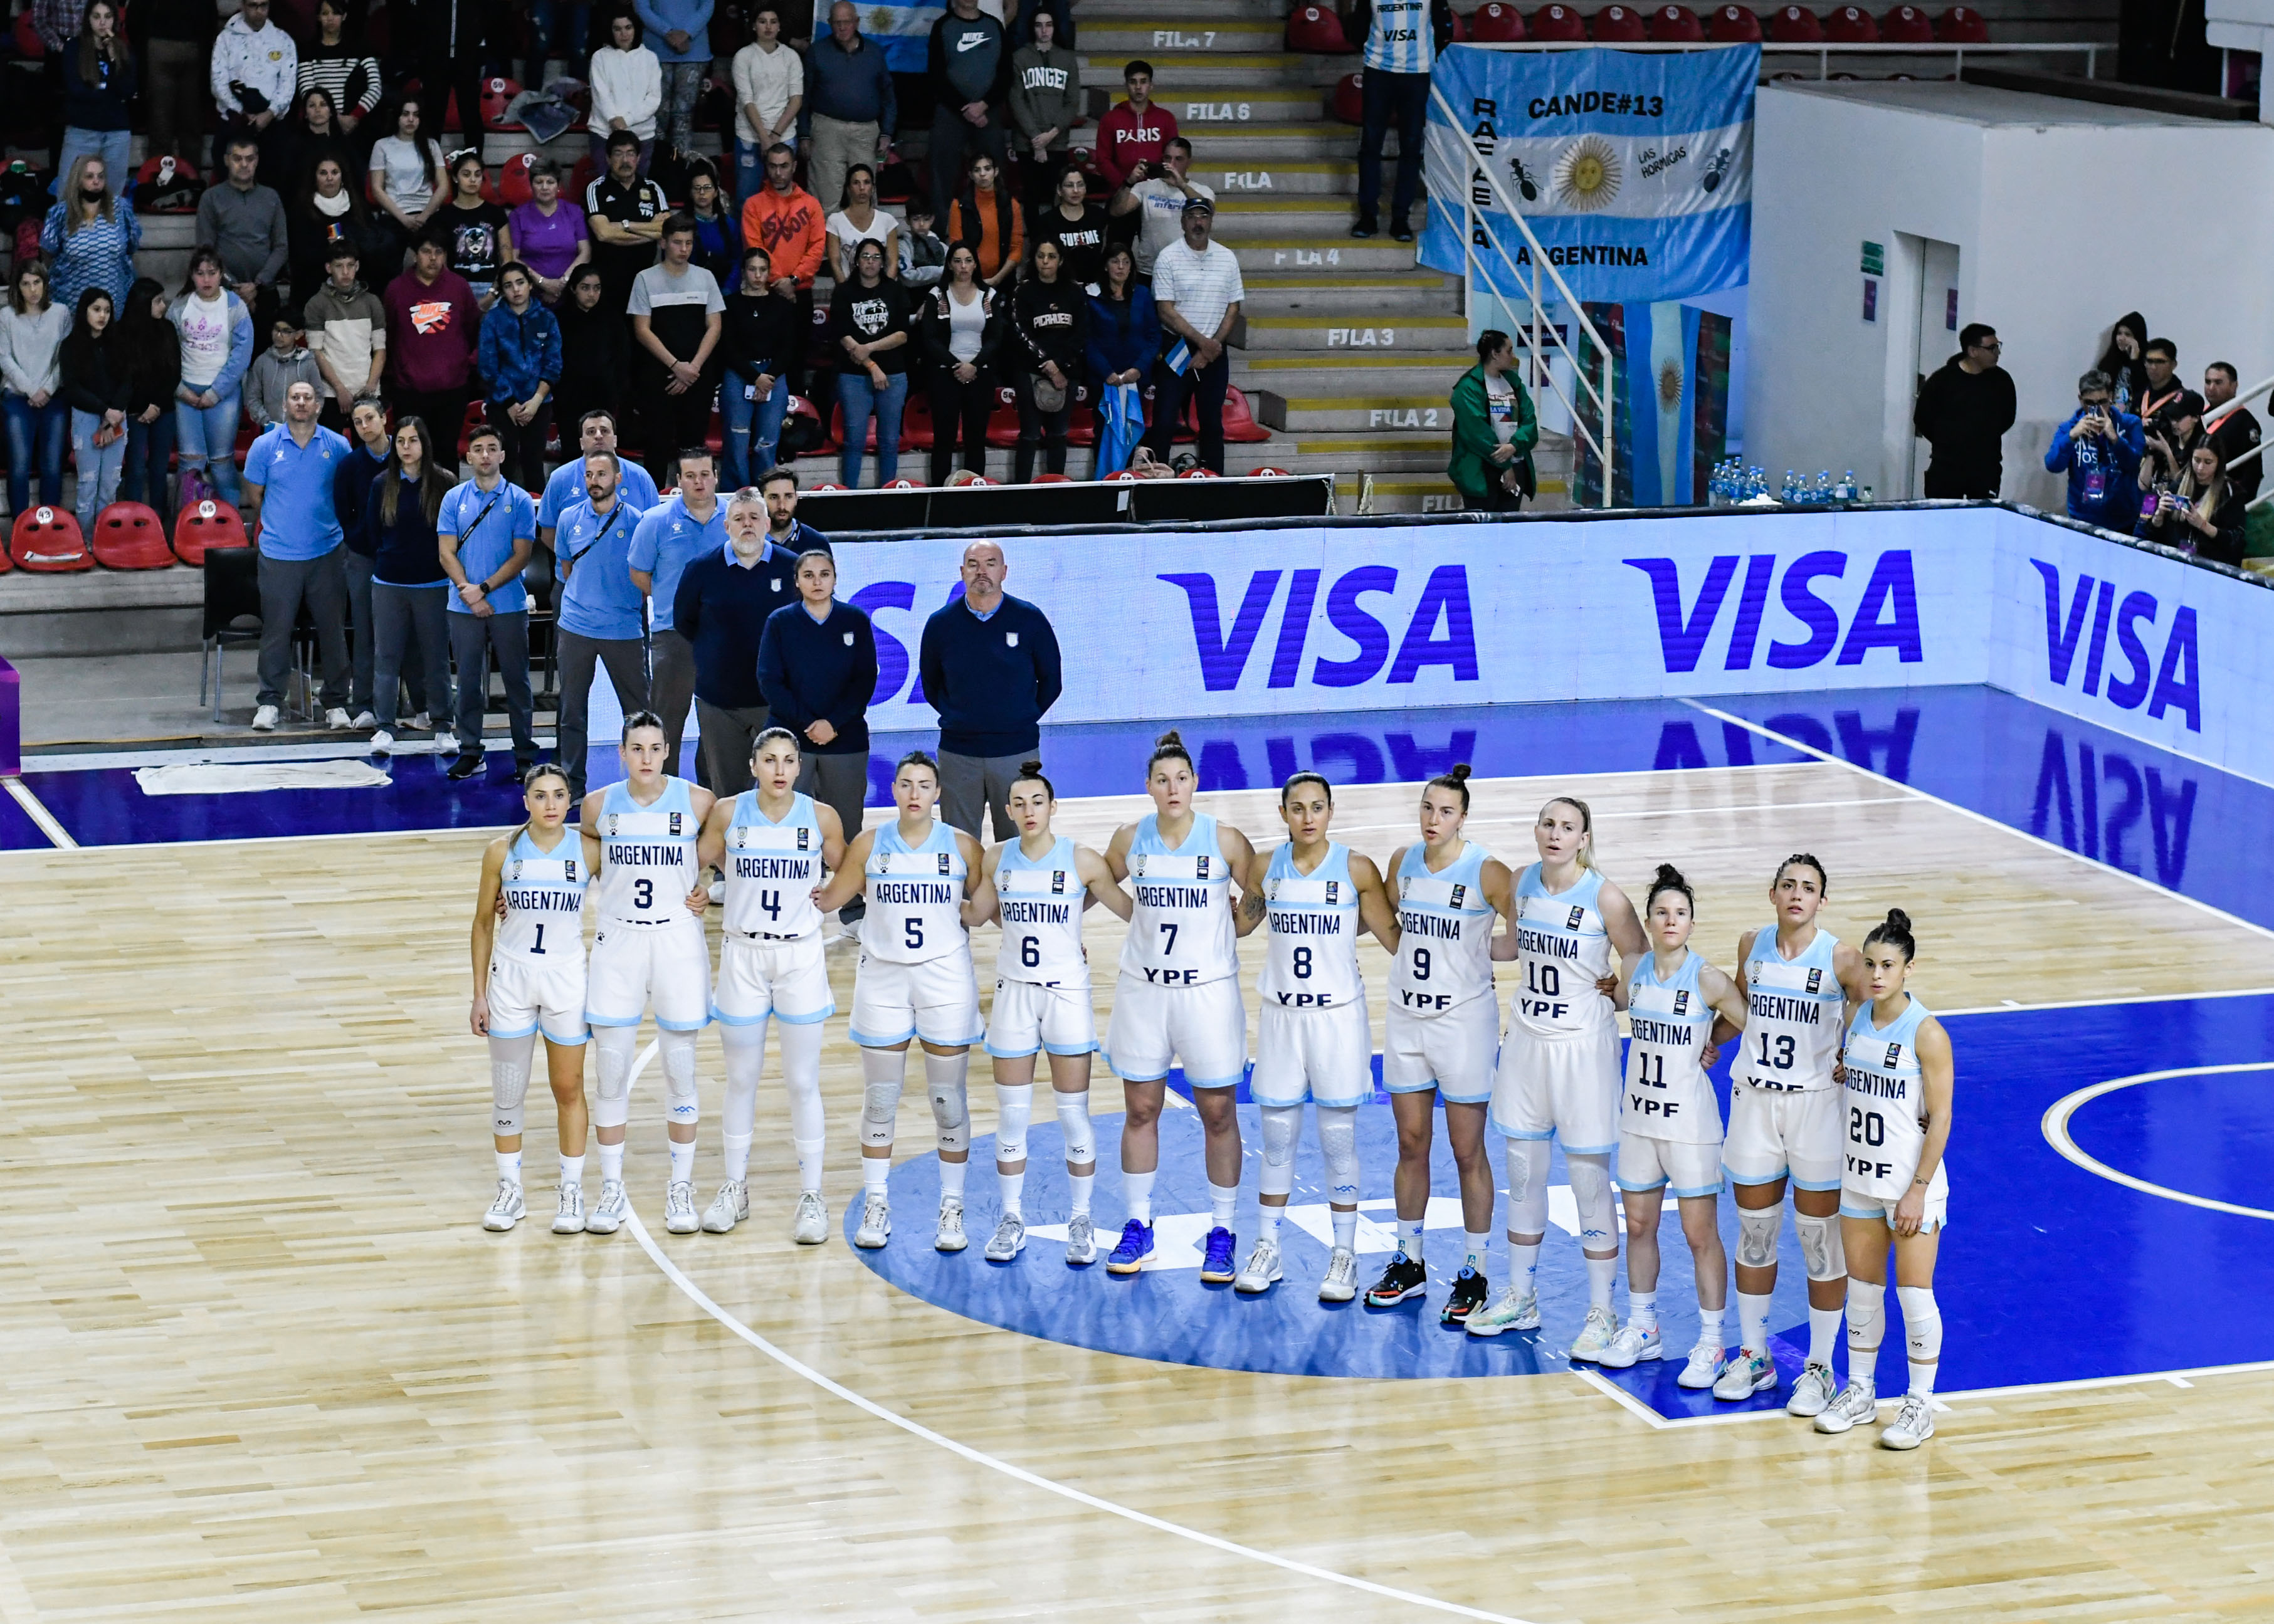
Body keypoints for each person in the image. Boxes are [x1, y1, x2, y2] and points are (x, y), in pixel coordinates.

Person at [1466, 797, 1648, 1354]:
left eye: (1567, 827)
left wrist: (1616, 996)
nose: (1555, 833)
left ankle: (1601, 1312)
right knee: (1521, 1172)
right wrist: (1460, 942)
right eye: (1547, 823)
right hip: (1525, 1042)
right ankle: (1521, 1295)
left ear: (1583, 837)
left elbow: (1638, 957)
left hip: (1581, 1049)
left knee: (1589, 1182)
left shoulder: (1605, 896)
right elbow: (1515, 944)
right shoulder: (1522, 881)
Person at [1708, 854, 1871, 1413]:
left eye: (1808, 888)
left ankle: (1820, 1367)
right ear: (1772, 893)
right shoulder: (1750, 944)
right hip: (1754, 1103)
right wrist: (1710, 1037)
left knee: (1819, 1240)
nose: (1797, 894)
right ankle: (1754, 1355)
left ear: (1822, 901)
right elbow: (1741, 1008)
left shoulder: (1844, 958)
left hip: (1815, 1109)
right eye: (1788, 885)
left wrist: (1855, 1053)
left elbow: (1873, 1012)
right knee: (1754, 1233)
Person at [1100, 730, 1259, 1280]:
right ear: (1148, 786)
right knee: (1141, 1109)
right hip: (1144, 991)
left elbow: (1259, 896)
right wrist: (1136, 917)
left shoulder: (1226, 840)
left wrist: (1235, 924)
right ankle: (1137, 1227)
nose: (1173, 788)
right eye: (1163, 780)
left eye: (1182, 779)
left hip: (1207, 993)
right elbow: (1100, 881)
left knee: (1219, 1112)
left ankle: (1222, 1230)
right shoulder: (1129, 838)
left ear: (1195, 783)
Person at [1233, 773, 1398, 1302]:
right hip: (1281, 1016)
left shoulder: (1355, 869)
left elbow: (1393, 935)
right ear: (1282, 812)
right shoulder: (1264, 867)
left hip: (1337, 1018)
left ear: (1331, 811)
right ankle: (1266, 1246)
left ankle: (1344, 1255)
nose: (1308, 817)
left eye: (1318, 807)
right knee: (1276, 1138)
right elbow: (1237, 927)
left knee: (1336, 1139)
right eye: (1298, 808)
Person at [812, 750, 985, 1250]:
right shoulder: (869, 845)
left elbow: (986, 906)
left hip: (945, 978)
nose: (914, 794)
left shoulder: (963, 847)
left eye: (924, 785)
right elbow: (828, 900)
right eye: (906, 784)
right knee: (881, 1098)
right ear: (893, 791)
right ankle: (876, 1200)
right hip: (883, 978)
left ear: (937, 793)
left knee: (947, 1099)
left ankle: (951, 1207)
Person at [964, 762, 1132, 1263]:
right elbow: (976, 913)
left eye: (1037, 801)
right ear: (1009, 811)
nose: (1029, 810)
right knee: (1011, 1116)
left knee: (1072, 1113)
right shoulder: (997, 858)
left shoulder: (1081, 860)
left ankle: (1081, 1219)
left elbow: (1129, 909)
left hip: (1066, 996)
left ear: (1053, 807)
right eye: (1019, 803)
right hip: (1014, 994)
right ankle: (1011, 1217)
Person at [1362, 765, 1509, 1322]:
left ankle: (1474, 1269)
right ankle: (1409, 1259)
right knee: (1410, 1143)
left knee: (1467, 1150)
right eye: (1426, 808)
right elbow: (1394, 928)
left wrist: (1473, 956)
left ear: (1463, 817)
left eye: (1445, 811)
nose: (1433, 819)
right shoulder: (1402, 862)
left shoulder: (1487, 870)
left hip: (1463, 1023)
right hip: (1405, 1018)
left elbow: (1519, 939)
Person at [693, 726, 846, 1239]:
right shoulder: (729, 813)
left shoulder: (821, 817)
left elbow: (851, 871)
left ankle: (812, 1196)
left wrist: (829, 895)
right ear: (753, 766)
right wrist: (709, 883)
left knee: (802, 1081)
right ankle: (734, 1188)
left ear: (799, 767)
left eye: (788, 761)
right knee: (741, 1078)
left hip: (799, 956)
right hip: (742, 953)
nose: (779, 770)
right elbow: (698, 858)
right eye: (769, 760)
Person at [1598, 864, 1747, 1384]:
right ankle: (1643, 1328)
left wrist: (1716, 1040)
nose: (1670, 920)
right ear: (1649, 918)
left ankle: (1711, 1344)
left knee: (1698, 1232)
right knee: (1638, 1225)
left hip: (1689, 1124)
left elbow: (1749, 1016)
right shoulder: (1636, 967)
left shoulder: (1706, 977)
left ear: (1690, 923)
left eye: (1680, 913)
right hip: (1637, 1118)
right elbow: (1614, 995)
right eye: (1661, 911)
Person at [1811, 909, 1950, 1451]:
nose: (1875, 974)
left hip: (1908, 1183)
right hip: (1859, 1177)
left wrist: (1917, 1187)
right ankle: (1861, 1390)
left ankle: (1919, 1403)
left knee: (1914, 1296)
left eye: (1887, 965)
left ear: (1907, 969)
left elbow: (1939, 1117)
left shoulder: (1927, 1033)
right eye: (1869, 963)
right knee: (1863, 1294)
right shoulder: (1857, 1018)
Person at [577, 709, 718, 1239]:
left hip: (676, 938)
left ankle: (680, 1186)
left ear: (667, 752)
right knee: (610, 1068)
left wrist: (704, 880)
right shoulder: (597, 807)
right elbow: (576, 859)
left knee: (680, 1066)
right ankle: (610, 1187)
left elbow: (723, 844)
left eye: (655, 748)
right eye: (636, 748)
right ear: (621, 752)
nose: (646, 758)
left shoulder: (698, 801)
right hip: (619, 939)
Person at [468, 762, 593, 1234]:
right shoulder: (501, 851)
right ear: (525, 801)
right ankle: (509, 1189)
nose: (550, 804)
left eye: (559, 795)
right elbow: (482, 922)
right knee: (508, 1090)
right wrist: (478, 994)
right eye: (540, 795)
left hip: (565, 979)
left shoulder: (587, 850)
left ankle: (572, 1190)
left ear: (570, 800)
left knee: (568, 1088)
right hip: (511, 979)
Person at [918, 540, 1063, 837]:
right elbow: (931, 683)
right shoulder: (940, 624)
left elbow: (1052, 680)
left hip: (1016, 751)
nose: (981, 571)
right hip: (959, 753)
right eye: (973, 564)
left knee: (1018, 841)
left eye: (990, 564)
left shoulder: (1029, 619)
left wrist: (1021, 717)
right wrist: (959, 717)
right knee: (960, 845)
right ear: (962, 572)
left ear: (1004, 571)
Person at [241, 379, 355, 731]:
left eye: (308, 398)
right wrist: (280, 526)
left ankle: (336, 703)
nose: (302, 403)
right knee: (276, 631)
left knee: (333, 630)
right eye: (295, 397)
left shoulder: (338, 445)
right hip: (278, 555)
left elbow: (347, 493)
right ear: (285, 404)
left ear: (319, 405)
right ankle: (270, 702)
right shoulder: (264, 446)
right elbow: (255, 495)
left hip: (327, 552)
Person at [673, 486, 802, 793]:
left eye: (755, 517)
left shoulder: (794, 568)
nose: (747, 524)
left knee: (785, 791)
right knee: (726, 793)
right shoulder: (701, 569)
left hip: (779, 702)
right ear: (726, 526)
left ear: (767, 524)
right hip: (720, 703)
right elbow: (684, 622)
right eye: (739, 518)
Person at [757, 548, 876, 864]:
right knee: (789, 821)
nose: (817, 582)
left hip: (846, 740)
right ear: (796, 581)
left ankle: (851, 902)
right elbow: (770, 681)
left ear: (835, 578)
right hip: (792, 741)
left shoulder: (855, 620)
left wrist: (833, 723)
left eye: (825, 574)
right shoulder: (780, 622)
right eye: (808, 575)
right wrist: (809, 724)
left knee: (847, 824)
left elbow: (865, 681)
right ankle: (794, 896)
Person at [439, 422, 542, 780]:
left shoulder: (519, 500)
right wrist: (469, 590)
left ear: (502, 455)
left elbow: (522, 555)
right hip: (462, 606)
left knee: (516, 681)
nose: (485, 455)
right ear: (468, 457)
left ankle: (525, 754)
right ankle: (470, 751)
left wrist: (481, 589)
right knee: (467, 682)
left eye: (491, 448)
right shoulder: (454, 498)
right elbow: (446, 552)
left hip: (508, 605)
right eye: (478, 449)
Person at [553, 451, 653, 799]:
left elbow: (645, 577)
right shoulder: (568, 518)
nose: (595, 480)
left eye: (602, 474)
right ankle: (573, 786)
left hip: (623, 630)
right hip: (576, 627)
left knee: (639, 714)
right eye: (589, 474)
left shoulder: (639, 521)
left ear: (618, 478)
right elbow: (566, 570)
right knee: (571, 711)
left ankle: (644, 786)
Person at [361, 411, 458, 752]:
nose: (406, 447)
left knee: (436, 659)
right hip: (389, 584)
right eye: (400, 441)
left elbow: (454, 534)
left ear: (424, 444)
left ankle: (443, 726)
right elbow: (373, 533)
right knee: (387, 658)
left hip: (432, 585)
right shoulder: (381, 484)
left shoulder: (444, 482)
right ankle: (385, 726)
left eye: (413, 440)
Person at [629, 444, 727, 767]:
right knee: (667, 722)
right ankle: (662, 788)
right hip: (673, 635)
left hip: (727, 639)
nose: (699, 482)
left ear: (716, 476)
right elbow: (640, 575)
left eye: (704, 475)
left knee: (720, 721)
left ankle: (714, 793)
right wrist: (674, 602)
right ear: (678, 481)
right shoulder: (654, 521)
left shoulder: (738, 517)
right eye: (690, 476)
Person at [1145, 199, 1242, 474]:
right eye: (1192, 217)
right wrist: (1204, 344)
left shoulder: (1227, 257)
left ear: (1211, 221)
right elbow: (1165, 310)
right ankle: (1158, 483)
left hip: (1215, 350)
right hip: (1177, 348)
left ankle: (1214, 482)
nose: (1198, 222)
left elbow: (1234, 306)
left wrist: (1213, 346)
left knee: (1212, 422)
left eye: (1203, 217)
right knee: (1164, 420)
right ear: (1182, 222)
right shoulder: (1168, 257)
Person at [629, 216, 725, 485]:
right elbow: (642, 330)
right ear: (663, 243)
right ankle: (652, 507)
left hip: (698, 376)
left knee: (694, 446)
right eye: (677, 243)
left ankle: (696, 504)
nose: (684, 249)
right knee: (657, 443)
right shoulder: (645, 279)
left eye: (689, 243)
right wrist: (676, 366)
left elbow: (715, 327)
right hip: (658, 376)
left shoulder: (705, 277)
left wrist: (692, 368)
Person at [169, 249, 255, 505]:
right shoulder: (180, 305)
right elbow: (166, 353)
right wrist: (180, 390)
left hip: (223, 394)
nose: (206, 280)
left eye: (212, 273)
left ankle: (230, 526)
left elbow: (242, 355)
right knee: (190, 462)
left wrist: (216, 392)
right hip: (185, 393)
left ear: (221, 275)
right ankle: (184, 525)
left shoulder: (235, 306)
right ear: (192, 276)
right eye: (200, 274)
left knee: (221, 460)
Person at [1345, 0, 1436, 241]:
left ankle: (1400, 218)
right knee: (1371, 145)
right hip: (1378, 74)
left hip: (1416, 75)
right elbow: (1356, 30)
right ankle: (1368, 216)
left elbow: (1444, 27)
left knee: (1411, 147)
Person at [802, 1, 897, 226]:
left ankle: (868, 254)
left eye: (847, 22)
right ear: (830, 24)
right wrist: (804, 134)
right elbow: (803, 96)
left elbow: (888, 96)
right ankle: (825, 256)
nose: (842, 27)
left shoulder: (874, 52)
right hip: (827, 129)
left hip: (866, 133)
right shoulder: (817, 51)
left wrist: (886, 133)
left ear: (857, 23)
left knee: (864, 195)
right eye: (837, 23)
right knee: (826, 198)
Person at [917, 245, 1005, 485]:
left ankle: (973, 492)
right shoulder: (937, 295)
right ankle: (938, 494)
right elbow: (930, 337)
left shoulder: (989, 295)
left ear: (976, 264)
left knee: (976, 439)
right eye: (958, 261)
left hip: (981, 376)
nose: (963, 266)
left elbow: (996, 337)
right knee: (944, 439)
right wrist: (957, 365)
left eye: (968, 261)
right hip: (945, 375)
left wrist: (974, 365)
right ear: (949, 265)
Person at [383, 230, 478, 451]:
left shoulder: (459, 286)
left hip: (453, 389)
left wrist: (465, 364)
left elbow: (473, 329)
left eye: (439, 252)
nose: (433, 258)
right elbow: (389, 336)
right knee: (411, 457)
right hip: (408, 391)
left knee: (447, 456)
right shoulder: (396, 289)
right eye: (426, 252)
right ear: (415, 255)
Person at [829, 237, 911, 487]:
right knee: (854, 440)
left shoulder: (895, 290)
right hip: (853, 376)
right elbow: (843, 335)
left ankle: (889, 496)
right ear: (856, 260)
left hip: (894, 374)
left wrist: (869, 348)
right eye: (866, 256)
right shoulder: (844, 291)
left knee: (889, 441)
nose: (871, 262)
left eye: (876, 257)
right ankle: (850, 496)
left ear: (883, 262)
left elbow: (902, 334)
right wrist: (872, 366)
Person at [193, 137, 287, 348]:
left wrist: (257, 284)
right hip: (223, 293)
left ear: (257, 161)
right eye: (238, 159)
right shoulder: (211, 198)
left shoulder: (271, 197)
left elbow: (281, 247)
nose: (244, 164)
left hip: (265, 293)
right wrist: (236, 287)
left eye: (250, 159)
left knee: (265, 358)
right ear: (227, 160)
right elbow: (205, 251)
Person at [335, 397, 396, 725]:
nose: (364, 427)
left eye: (369, 418)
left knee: (405, 632)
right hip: (362, 557)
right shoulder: (349, 465)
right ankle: (365, 705)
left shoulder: (404, 457)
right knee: (365, 632)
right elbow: (343, 513)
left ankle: (418, 704)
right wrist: (362, 541)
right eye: (358, 422)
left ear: (384, 418)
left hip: (401, 558)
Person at [476, 262, 561, 491]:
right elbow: (488, 366)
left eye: (520, 283)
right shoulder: (493, 320)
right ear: (502, 290)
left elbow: (553, 364)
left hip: (539, 404)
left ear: (530, 285)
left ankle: (537, 524)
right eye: (508, 285)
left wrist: (535, 401)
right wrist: (510, 403)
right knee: (503, 464)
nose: (516, 290)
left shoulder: (547, 318)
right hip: (502, 405)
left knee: (534, 465)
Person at [0, 261, 73, 520]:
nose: (32, 290)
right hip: (18, 398)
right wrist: (32, 390)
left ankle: (49, 529)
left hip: (53, 398)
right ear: (17, 288)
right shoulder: (6, 316)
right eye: (26, 284)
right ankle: (21, 528)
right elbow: (4, 358)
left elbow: (65, 357)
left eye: (37, 282)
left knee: (52, 467)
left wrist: (48, 389)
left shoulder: (61, 313)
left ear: (45, 283)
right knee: (19, 467)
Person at [720, 246, 797, 488]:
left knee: (767, 442)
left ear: (769, 273)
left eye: (762, 270)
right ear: (744, 272)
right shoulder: (729, 304)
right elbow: (726, 347)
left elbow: (789, 346)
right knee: (736, 438)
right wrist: (755, 377)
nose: (757, 275)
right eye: (752, 269)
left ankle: (765, 495)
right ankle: (737, 494)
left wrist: (769, 376)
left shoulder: (782, 306)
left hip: (774, 374)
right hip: (739, 374)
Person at [1007, 238, 1084, 482]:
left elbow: (1081, 333)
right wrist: (1049, 366)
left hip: (1067, 371)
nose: (1046, 261)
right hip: (1030, 371)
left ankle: (1056, 487)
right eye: (1041, 256)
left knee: (1059, 433)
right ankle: (1020, 491)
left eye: (1052, 256)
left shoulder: (1075, 291)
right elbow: (1020, 331)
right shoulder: (1023, 290)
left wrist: (1060, 364)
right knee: (1029, 434)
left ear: (1061, 260)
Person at [539, 409, 660, 561]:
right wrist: (580, 559)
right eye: (591, 432)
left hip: (629, 577)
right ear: (581, 443)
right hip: (574, 576)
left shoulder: (640, 476)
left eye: (604, 431)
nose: (598, 436)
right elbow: (548, 531)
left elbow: (655, 527)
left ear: (615, 440)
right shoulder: (560, 478)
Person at [929, 0, 1011, 217]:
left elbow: (1006, 74)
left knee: (994, 174)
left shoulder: (994, 26)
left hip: (988, 113)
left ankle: (996, 228)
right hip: (950, 113)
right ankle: (940, 237)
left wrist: (984, 105)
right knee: (942, 176)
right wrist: (965, 109)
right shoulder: (943, 26)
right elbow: (936, 75)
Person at [1912, 323, 2013, 500]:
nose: (1997, 353)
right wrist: (1947, 440)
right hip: (1946, 467)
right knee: (1943, 519)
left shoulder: (2001, 381)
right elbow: (1922, 418)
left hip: (1986, 467)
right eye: (1992, 348)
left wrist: (1983, 437)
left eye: (1998, 346)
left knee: (1982, 520)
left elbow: (2007, 417)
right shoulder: (1942, 380)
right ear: (1973, 351)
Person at [58, 286, 127, 533]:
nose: (103, 316)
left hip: (118, 418)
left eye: (107, 311)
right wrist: (104, 411)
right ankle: (86, 539)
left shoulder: (119, 343)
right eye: (96, 309)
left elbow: (128, 381)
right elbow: (73, 388)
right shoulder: (70, 346)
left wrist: (111, 418)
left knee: (110, 484)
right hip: (86, 416)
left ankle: (106, 539)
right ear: (84, 311)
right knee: (88, 484)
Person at [42, 154, 142, 318]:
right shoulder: (60, 213)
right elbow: (48, 253)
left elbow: (132, 245)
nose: (96, 181)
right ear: (78, 179)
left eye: (100, 176)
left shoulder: (121, 208)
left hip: (114, 300)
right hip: (72, 301)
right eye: (89, 176)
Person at [2043, 370, 2144, 534]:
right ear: (2080, 400)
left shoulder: (2131, 424)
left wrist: (2115, 439)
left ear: (2111, 396)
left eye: (2102, 402)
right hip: (2082, 520)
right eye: (2090, 403)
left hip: (2123, 520)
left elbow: (2135, 465)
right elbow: (2053, 465)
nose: (2096, 409)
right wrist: (2072, 437)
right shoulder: (2068, 428)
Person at [118, 276, 181, 534]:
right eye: (157, 302)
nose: (163, 306)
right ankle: (131, 524)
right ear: (143, 303)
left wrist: (156, 405)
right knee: (134, 469)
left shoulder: (167, 330)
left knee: (158, 468)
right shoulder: (122, 333)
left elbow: (174, 372)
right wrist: (144, 406)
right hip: (134, 411)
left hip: (163, 410)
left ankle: (158, 525)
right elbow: (125, 376)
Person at [302, 241, 387, 432]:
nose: (346, 272)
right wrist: (340, 389)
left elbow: (380, 349)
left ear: (357, 266)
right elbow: (316, 352)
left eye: (350, 266)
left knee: (368, 452)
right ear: (328, 268)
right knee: (333, 452)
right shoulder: (316, 304)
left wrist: (371, 388)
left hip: (368, 390)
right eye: (339, 266)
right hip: (332, 392)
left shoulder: (372, 302)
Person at [1086, 243, 1155, 476]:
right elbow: (1087, 340)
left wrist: (1139, 368)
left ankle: (1132, 481)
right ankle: (1105, 482)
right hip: (1105, 379)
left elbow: (1154, 337)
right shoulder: (1091, 296)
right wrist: (1106, 372)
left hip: (1136, 379)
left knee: (1133, 430)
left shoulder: (1143, 294)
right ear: (1106, 265)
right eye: (1116, 261)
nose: (1121, 267)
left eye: (1126, 262)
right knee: (1105, 430)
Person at [1448, 329, 1535, 512]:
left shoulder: (1514, 382)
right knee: (1482, 531)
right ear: (1495, 354)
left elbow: (1530, 422)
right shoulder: (1467, 388)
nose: (1513, 356)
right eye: (1509, 351)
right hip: (1481, 470)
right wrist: (1505, 466)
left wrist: (1514, 446)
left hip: (1515, 463)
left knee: (1509, 531)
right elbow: (1477, 434)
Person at [209, 0, 297, 175]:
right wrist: (242, 112)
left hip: (272, 121)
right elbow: (218, 81)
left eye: (263, 5)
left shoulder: (283, 40)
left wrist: (270, 113)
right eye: (253, 5)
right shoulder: (225, 39)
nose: (259, 11)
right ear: (242, 6)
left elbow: (288, 82)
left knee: (275, 177)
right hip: (235, 120)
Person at [586, 129, 670, 310]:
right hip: (607, 282)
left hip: (645, 279)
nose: (625, 161)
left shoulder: (653, 189)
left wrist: (626, 225)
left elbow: (666, 231)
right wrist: (650, 231)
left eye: (631, 154)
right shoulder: (596, 189)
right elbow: (603, 234)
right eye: (618, 154)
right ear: (608, 158)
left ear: (639, 158)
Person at [58, 0, 137, 192]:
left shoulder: (123, 50)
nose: (103, 23)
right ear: (88, 20)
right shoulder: (74, 48)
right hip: (82, 129)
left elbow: (128, 89)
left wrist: (113, 58)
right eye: (97, 17)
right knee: (68, 192)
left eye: (108, 17)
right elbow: (76, 89)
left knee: (112, 197)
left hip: (116, 132)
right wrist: (111, 95)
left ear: (115, 20)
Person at [289, 157, 384, 312]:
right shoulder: (302, 210)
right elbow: (298, 253)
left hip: (355, 282)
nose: (329, 178)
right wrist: (328, 248)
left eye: (334, 172)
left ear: (342, 177)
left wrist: (349, 246)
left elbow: (371, 243)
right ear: (315, 178)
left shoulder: (357, 205)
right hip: (314, 284)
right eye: (323, 173)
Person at [1110, 138, 1211, 282]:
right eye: (1168, 158)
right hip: (1149, 271)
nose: (1172, 164)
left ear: (1189, 162)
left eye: (1179, 159)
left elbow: (1207, 209)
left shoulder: (1201, 190)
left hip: (1187, 270)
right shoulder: (1146, 187)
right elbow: (1117, 211)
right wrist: (1129, 182)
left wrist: (1182, 186)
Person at [1009, 9, 1082, 210]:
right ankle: (1034, 241)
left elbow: (1073, 102)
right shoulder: (1019, 57)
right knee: (1030, 199)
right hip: (1026, 142)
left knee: (1058, 199)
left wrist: (1050, 135)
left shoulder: (1067, 59)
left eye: (1048, 25)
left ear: (1055, 28)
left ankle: (1054, 242)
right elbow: (1016, 100)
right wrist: (1037, 141)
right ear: (1032, 28)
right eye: (1039, 25)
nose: (1044, 30)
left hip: (1057, 141)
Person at [737, 142, 824, 306]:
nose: (778, 173)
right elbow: (754, 247)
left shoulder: (811, 205)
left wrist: (793, 280)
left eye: (784, 166)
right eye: (773, 166)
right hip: (764, 289)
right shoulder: (753, 205)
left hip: (801, 289)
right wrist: (781, 282)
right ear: (766, 167)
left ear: (794, 166)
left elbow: (817, 248)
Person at [732, 5, 804, 204]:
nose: (768, 27)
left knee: (783, 198)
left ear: (780, 26)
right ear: (754, 26)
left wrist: (775, 136)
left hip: (785, 136)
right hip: (750, 136)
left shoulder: (791, 57)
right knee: (746, 199)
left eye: (773, 22)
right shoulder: (743, 56)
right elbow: (747, 100)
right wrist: (764, 138)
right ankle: (746, 237)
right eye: (763, 22)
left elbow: (796, 99)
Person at [368, 96, 448, 270]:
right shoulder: (382, 146)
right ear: (397, 117)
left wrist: (424, 217)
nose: (411, 119)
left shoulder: (432, 145)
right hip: (394, 215)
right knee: (386, 256)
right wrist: (403, 218)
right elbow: (377, 188)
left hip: (426, 215)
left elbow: (443, 186)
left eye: (416, 115)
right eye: (406, 114)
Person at [2137, 437, 2246, 565]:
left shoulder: (2232, 494)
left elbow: (2237, 542)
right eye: (2197, 460)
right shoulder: (2177, 487)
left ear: (2219, 463)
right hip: (2175, 562)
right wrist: (2158, 518)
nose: (2200, 468)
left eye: (2208, 462)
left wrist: (2203, 525)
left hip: (2210, 566)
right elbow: (2148, 534)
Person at [552, 268, 629, 439]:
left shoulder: (612, 319)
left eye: (597, 288)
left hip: (604, 396)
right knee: (572, 450)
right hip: (569, 398)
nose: (592, 294)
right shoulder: (559, 319)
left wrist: (617, 391)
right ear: (573, 289)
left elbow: (623, 357)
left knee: (602, 450)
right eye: (585, 288)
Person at [637, 0, 714, 159]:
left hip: (694, 51)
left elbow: (708, 5)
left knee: (683, 117)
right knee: (657, 115)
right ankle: (656, 171)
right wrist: (668, 32)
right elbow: (641, 7)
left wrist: (686, 33)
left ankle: (681, 172)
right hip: (655, 52)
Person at [436, 149, 513, 308]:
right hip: (455, 288)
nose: (473, 180)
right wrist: (453, 291)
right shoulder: (443, 216)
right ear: (455, 178)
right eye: (466, 174)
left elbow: (507, 258)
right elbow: (440, 261)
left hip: (492, 287)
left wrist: (493, 293)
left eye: (477, 175)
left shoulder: (496, 213)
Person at [589, 11, 663, 174]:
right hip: (604, 133)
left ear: (636, 29)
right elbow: (600, 94)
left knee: (639, 191)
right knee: (606, 189)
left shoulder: (650, 58)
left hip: (642, 135)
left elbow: (653, 99)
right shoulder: (599, 57)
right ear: (611, 31)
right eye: (617, 29)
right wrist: (613, 120)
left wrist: (626, 121)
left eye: (628, 28)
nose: (624, 34)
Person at [297, 0, 382, 141]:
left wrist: (354, 116)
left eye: (336, 13)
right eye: (325, 13)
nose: (330, 18)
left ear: (345, 16)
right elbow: (307, 91)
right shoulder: (307, 51)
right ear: (318, 17)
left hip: (355, 125)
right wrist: (334, 118)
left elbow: (376, 87)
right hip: (319, 126)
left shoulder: (360, 48)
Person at [136, 0, 208, 165]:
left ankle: (173, 183)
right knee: (167, 126)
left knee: (174, 124)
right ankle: (162, 184)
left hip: (175, 46)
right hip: (169, 46)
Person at [510, 160, 591, 306]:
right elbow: (513, 258)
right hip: (531, 293)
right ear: (531, 185)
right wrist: (543, 283)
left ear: (558, 186)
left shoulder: (574, 212)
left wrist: (562, 283)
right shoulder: (518, 215)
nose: (545, 187)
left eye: (550, 182)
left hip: (570, 291)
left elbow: (585, 252)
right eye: (539, 182)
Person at [1094, 60, 1176, 193]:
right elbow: (1103, 160)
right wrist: (1125, 183)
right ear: (1126, 85)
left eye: (1143, 82)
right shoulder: (1110, 119)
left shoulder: (1166, 118)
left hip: (1158, 192)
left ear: (1151, 85)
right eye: (1133, 82)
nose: (1138, 87)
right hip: (1121, 191)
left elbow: (1172, 156)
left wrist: (1160, 180)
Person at [949, 152, 1023, 291]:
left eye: (987, 169)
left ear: (996, 172)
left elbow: (1016, 248)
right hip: (968, 280)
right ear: (970, 175)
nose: (983, 174)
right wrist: (973, 278)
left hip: (1003, 280)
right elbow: (956, 247)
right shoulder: (959, 205)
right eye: (977, 170)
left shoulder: (1011, 204)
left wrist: (998, 279)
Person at [1028, 168, 1106, 290]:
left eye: (1080, 185)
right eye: (1070, 186)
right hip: (1061, 288)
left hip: (1095, 287)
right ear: (1059, 190)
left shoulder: (1097, 215)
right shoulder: (1046, 221)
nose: (1076, 190)